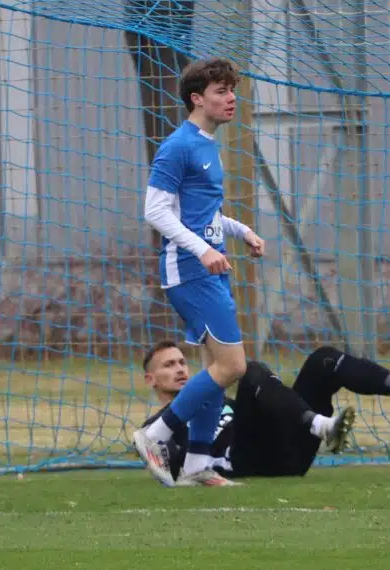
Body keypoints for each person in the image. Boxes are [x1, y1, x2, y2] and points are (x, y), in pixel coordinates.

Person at [132, 58, 265, 488]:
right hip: (190, 271)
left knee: (213, 369)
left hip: (210, 266)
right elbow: (155, 211)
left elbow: (202, 213)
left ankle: (197, 464)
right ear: (197, 99)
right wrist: (203, 249)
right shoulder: (179, 146)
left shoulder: (207, 144)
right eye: (221, 92)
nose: (231, 99)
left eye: (232, 90)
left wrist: (241, 231)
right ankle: (155, 434)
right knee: (233, 365)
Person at [139, 340, 390, 484]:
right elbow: (170, 468)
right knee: (252, 372)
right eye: (169, 365)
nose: (180, 369)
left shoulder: (212, 399)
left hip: (288, 454)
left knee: (323, 360)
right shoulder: (156, 427)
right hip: (244, 462)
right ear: (150, 379)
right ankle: (320, 426)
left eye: (182, 362)